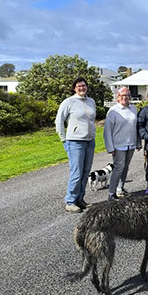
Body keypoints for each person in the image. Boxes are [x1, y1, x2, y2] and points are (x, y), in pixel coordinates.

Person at [55, 77, 97, 213]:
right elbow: (59, 121)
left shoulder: (91, 101)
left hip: (90, 141)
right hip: (75, 142)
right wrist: (64, 139)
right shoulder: (68, 102)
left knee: (86, 171)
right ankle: (70, 201)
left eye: (83, 85)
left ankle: (80, 198)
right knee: (76, 172)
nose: (82, 88)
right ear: (74, 88)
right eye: (79, 86)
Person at [103, 87, 141, 201]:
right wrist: (110, 147)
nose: (125, 97)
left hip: (131, 143)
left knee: (125, 168)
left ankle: (120, 189)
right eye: (122, 96)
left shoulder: (133, 109)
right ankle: (111, 193)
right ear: (118, 97)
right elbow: (107, 131)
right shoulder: (113, 111)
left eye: (127, 95)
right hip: (118, 145)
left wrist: (138, 142)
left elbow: (137, 127)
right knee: (118, 168)